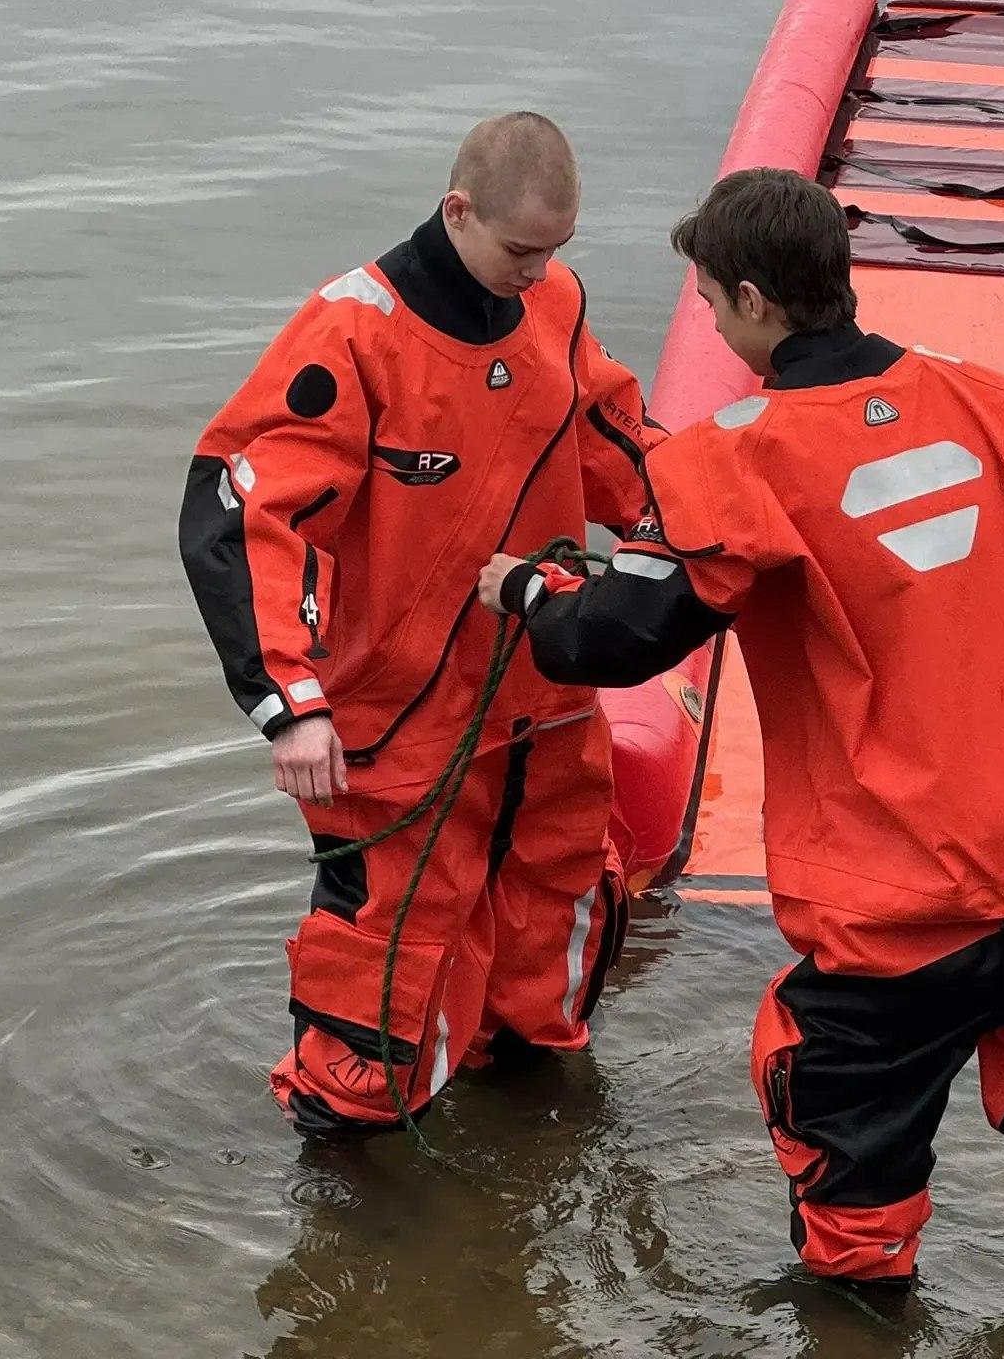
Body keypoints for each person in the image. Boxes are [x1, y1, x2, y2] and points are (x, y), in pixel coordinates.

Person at [476, 168, 1004, 1318]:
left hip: (901, 894)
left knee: (850, 1151)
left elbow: (615, 639)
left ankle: (862, 1319)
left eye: (712, 304)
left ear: (754, 299)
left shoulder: (735, 458)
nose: (713, 325)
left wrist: (527, 590)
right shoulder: (1000, 402)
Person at [179, 112, 656, 1139]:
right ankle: (356, 1198)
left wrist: (715, 541)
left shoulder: (555, 307)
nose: (537, 274)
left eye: (557, 252)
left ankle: (528, 1105)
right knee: (385, 961)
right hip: (398, 726)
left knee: (554, 905)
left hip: (544, 693)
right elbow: (246, 514)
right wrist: (289, 708)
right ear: (459, 212)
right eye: (521, 250)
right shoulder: (353, 336)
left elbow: (620, 443)